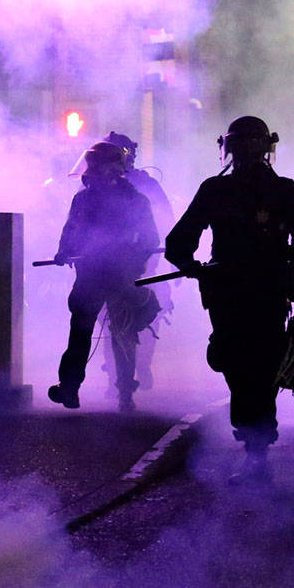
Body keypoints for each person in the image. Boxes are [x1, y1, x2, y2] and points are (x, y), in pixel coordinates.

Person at [165, 116, 294, 483]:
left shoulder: (267, 190)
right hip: (241, 290)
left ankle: (256, 449)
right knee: (245, 364)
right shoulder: (269, 190)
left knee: (251, 365)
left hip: (247, 291)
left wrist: (191, 264)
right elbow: (180, 240)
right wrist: (191, 264)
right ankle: (256, 447)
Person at [47, 142, 160, 412]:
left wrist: (131, 262)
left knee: (107, 333)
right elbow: (71, 232)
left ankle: (110, 391)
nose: (91, 170)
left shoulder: (130, 201)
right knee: (100, 333)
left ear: (111, 168)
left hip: (111, 276)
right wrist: (64, 252)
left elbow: (149, 240)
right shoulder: (88, 199)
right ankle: (79, 389)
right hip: (101, 276)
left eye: (97, 164)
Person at [100, 131, 174, 399]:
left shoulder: (146, 186)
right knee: (109, 321)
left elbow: (166, 222)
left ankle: (140, 365)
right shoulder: (95, 185)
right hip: (105, 267)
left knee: (147, 313)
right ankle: (116, 376)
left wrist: (173, 259)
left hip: (142, 266)